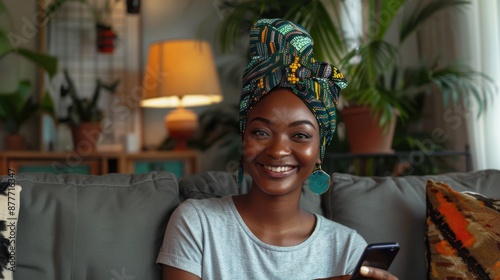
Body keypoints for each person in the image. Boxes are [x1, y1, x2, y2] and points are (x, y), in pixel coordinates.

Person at [156, 18, 398, 280]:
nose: (278, 150)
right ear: (243, 139)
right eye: (261, 132)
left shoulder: (347, 248)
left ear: (319, 151)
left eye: (300, 135)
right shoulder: (197, 223)